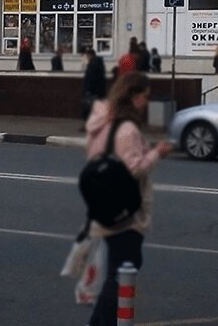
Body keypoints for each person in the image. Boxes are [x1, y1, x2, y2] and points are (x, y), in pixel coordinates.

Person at [84, 72, 174, 326]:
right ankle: (101, 322)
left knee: (121, 266)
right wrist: (157, 153)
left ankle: (102, 321)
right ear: (133, 96)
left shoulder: (109, 123)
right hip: (124, 211)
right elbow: (134, 169)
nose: (147, 102)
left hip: (108, 205)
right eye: (145, 96)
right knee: (124, 269)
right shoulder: (127, 129)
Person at [82, 48, 108, 120]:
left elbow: (90, 78)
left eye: (87, 56)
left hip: (93, 91)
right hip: (100, 90)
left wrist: (87, 90)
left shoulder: (92, 64)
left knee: (90, 108)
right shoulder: (100, 63)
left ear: (90, 55)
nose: (87, 58)